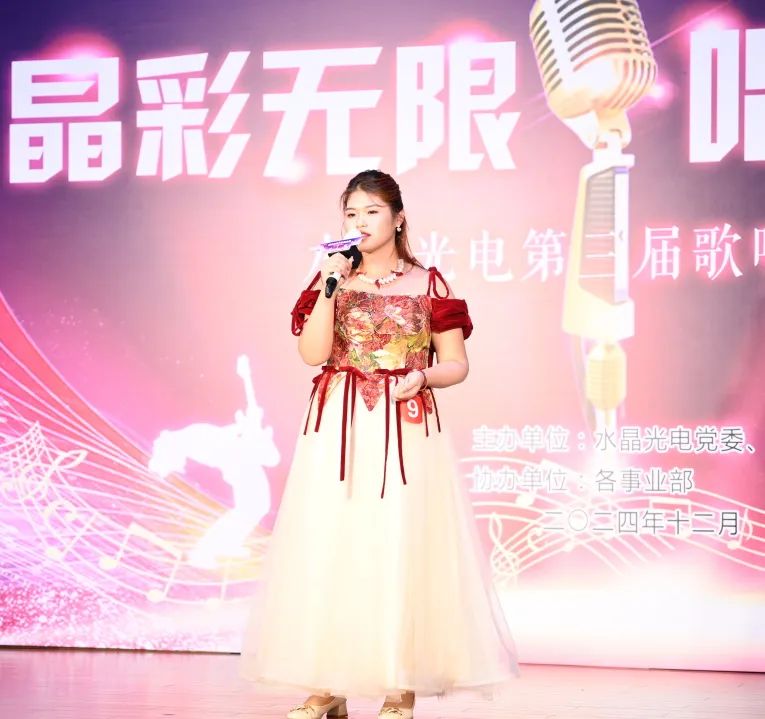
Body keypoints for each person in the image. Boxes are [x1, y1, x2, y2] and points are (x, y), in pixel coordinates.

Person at [239, 170, 520, 719]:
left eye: (371, 211)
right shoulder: (331, 278)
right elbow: (312, 353)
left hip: (406, 427)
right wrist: (329, 285)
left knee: (399, 547)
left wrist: (423, 377)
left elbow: (456, 363)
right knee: (332, 546)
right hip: (337, 427)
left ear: (398, 218)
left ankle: (399, 686)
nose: (360, 222)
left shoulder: (429, 283)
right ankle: (327, 686)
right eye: (351, 213)